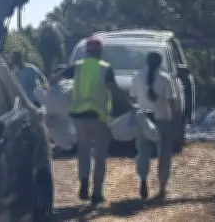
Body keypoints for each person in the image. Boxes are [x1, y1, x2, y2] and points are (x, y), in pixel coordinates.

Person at [61, 36, 131, 206]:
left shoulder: (77, 66)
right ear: (100, 51)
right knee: (100, 155)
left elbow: (57, 78)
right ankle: (97, 193)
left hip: (78, 115)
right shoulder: (105, 68)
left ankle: (84, 179)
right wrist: (130, 105)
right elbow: (115, 90)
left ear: (87, 51)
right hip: (98, 116)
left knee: (83, 151)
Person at [131, 50, 176, 200]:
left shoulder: (137, 76)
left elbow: (133, 98)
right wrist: (175, 121)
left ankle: (143, 180)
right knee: (164, 154)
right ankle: (162, 188)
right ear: (160, 62)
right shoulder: (165, 78)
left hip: (144, 118)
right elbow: (171, 102)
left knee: (143, 151)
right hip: (162, 118)